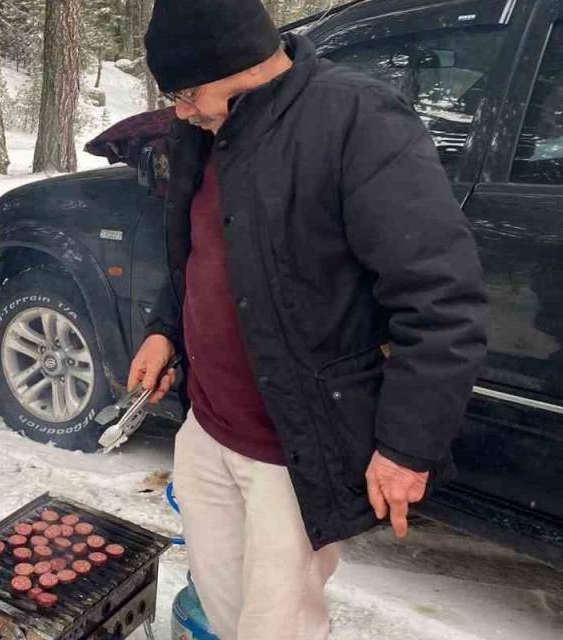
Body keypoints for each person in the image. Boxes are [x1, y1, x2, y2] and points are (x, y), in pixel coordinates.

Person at [128, 1, 489, 638]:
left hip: (290, 451)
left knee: (279, 627)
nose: (181, 111)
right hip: (208, 430)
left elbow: (441, 299)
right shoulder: (203, 133)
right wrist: (165, 329)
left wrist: (406, 447)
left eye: (186, 94)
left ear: (234, 66)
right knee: (222, 609)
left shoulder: (357, 121)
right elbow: (197, 253)